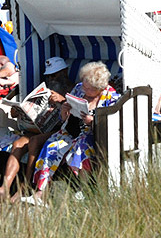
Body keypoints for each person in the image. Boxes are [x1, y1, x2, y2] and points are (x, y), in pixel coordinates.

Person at [29, 61, 119, 201]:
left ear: (99, 88)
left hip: (93, 135)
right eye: (83, 84)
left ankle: (82, 189)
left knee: (80, 148)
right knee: (51, 146)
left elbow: (113, 124)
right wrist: (64, 111)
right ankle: (41, 191)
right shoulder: (78, 88)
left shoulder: (111, 97)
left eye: (88, 88)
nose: (84, 89)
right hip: (71, 130)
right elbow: (64, 117)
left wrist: (93, 122)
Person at [0, 57, 72, 202]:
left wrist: (62, 100)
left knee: (34, 142)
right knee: (17, 145)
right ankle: (5, 187)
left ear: (64, 72)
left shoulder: (72, 89)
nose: (51, 79)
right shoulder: (44, 89)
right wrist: (18, 111)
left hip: (58, 131)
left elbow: (74, 117)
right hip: (39, 128)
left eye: (54, 75)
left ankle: (26, 186)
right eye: (48, 76)